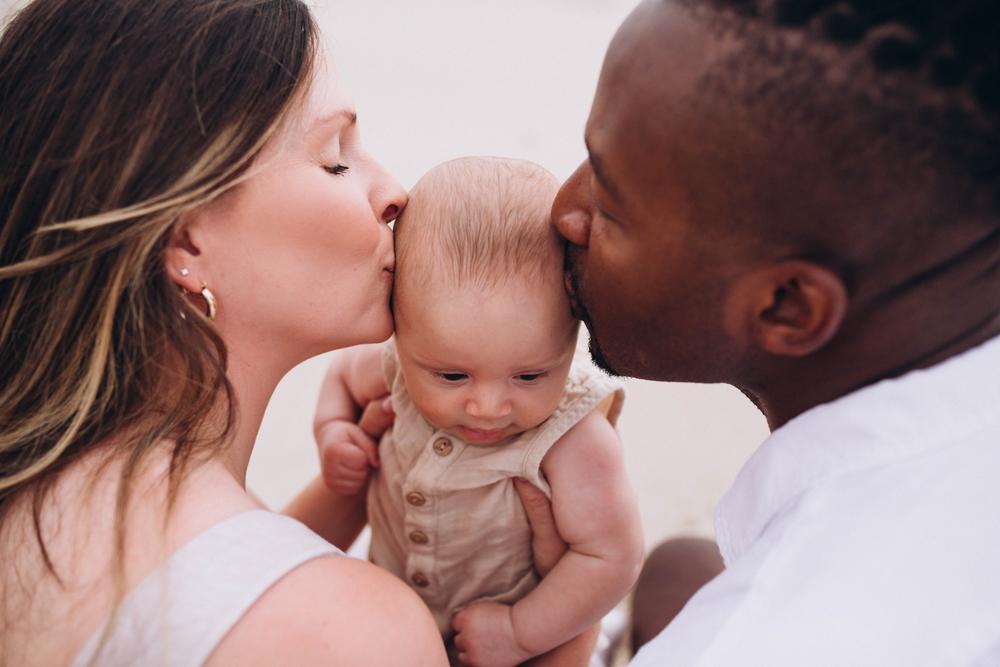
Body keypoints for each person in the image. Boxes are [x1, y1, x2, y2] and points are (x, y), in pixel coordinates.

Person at [0, 2, 590, 666]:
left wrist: (351, 490)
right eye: (336, 157)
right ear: (187, 239)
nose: (394, 191)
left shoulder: (36, 488)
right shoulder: (349, 631)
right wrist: (565, 637)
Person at [547, 0, 1000, 664]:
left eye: (610, 206)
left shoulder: (756, 640)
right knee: (680, 568)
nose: (564, 210)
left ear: (788, 306)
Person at [313, 157, 644, 667]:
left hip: (516, 647)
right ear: (399, 330)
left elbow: (611, 558)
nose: (488, 408)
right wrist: (334, 431)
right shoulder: (396, 367)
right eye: (452, 376)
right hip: (391, 616)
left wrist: (520, 632)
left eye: (530, 376)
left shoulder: (572, 436)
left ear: (571, 335)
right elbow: (341, 377)